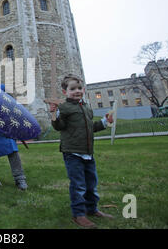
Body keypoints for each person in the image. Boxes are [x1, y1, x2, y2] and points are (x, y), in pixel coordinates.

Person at [49, 74, 114, 228]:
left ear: (83, 89)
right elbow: (59, 126)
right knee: (78, 185)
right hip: (72, 152)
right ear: (65, 92)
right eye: (73, 89)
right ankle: (79, 214)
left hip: (88, 152)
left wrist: (105, 122)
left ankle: (92, 209)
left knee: (91, 183)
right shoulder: (64, 107)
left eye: (79, 88)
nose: (77, 91)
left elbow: (91, 127)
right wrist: (54, 113)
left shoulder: (86, 107)